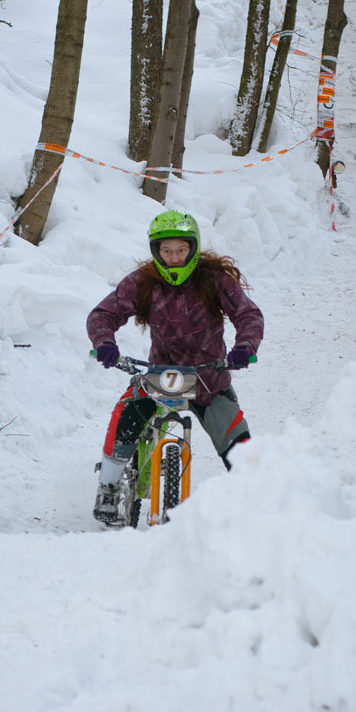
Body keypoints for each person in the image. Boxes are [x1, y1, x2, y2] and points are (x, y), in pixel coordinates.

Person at [86, 209, 264, 525]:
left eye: (181, 250)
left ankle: (253, 499)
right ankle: (109, 487)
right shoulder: (144, 281)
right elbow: (103, 314)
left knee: (240, 447)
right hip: (162, 376)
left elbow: (247, 314)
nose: (174, 258)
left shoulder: (214, 279)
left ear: (193, 248)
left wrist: (244, 348)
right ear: (156, 251)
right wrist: (105, 343)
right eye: (166, 251)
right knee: (127, 413)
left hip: (208, 379)